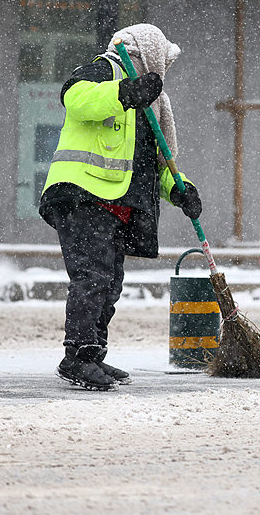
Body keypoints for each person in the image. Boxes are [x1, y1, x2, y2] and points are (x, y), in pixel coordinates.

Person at [39, 23, 202, 390]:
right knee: (92, 277)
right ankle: (76, 357)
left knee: (109, 282)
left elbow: (151, 163)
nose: (165, 70)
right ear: (148, 54)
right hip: (82, 195)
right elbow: (74, 98)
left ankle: (93, 354)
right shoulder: (106, 70)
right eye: (163, 61)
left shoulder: (152, 104)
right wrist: (124, 92)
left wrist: (180, 189)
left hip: (113, 203)